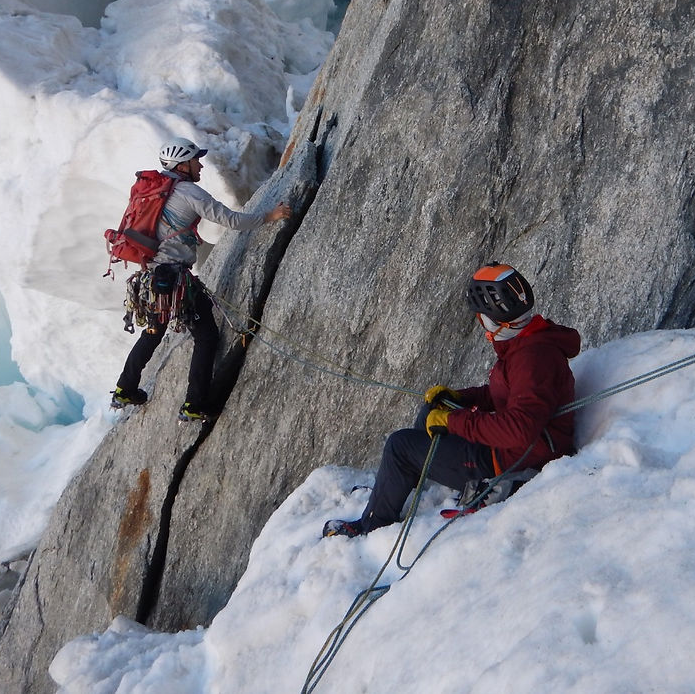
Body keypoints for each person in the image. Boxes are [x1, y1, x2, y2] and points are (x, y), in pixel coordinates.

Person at [323, 263, 581, 537]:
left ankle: (370, 526)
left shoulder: (531, 358)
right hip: (519, 449)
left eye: (481, 317)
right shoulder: (527, 342)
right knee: (430, 413)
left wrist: (454, 420)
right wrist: (458, 398)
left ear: (494, 319)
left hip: (512, 461)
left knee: (400, 446)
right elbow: (506, 394)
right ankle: (392, 487)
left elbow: (519, 429)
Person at [111, 136, 292, 421]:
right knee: (206, 336)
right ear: (183, 165)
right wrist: (269, 216)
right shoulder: (189, 194)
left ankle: (125, 388)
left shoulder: (155, 191)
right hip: (175, 281)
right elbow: (231, 221)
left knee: (154, 331)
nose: (200, 165)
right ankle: (195, 404)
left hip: (151, 278)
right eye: (196, 160)